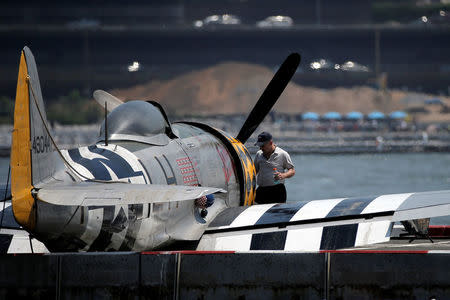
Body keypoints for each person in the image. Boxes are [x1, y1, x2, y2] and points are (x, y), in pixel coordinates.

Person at [253, 131, 295, 204]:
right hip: (262, 190)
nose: (261, 148)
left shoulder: (282, 154)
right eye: (259, 146)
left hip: (277, 191)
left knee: (277, 214)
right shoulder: (258, 154)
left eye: (263, 146)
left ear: (270, 143)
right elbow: (254, 172)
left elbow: (292, 170)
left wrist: (283, 175)